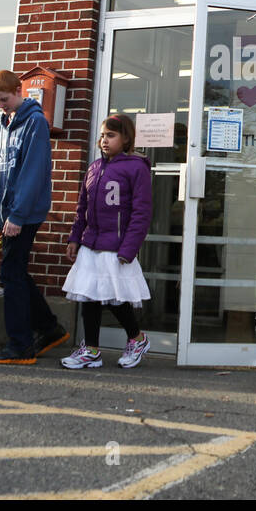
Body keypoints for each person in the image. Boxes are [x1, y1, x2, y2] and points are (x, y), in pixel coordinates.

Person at [0, 70, 70, 364]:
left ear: (19, 90)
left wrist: (17, 215)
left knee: (10, 273)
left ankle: (20, 345)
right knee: (15, 271)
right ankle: (49, 328)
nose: (1, 105)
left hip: (24, 214)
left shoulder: (35, 123)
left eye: (4, 99)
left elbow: (33, 172)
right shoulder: (5, 123)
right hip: (8, 211)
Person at [61, 113, 153, 369]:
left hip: (117, 247)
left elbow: (141, 212)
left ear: (126, 139)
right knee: (89, 296)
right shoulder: (94, 168)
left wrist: (129, 248)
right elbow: (83, 208)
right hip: (91, 244)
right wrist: (75, 238)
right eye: (102, 135)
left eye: (111, 135)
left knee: (116, 298)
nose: (104, 140)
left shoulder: (136, 168)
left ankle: (137, 338)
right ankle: (90, 349)